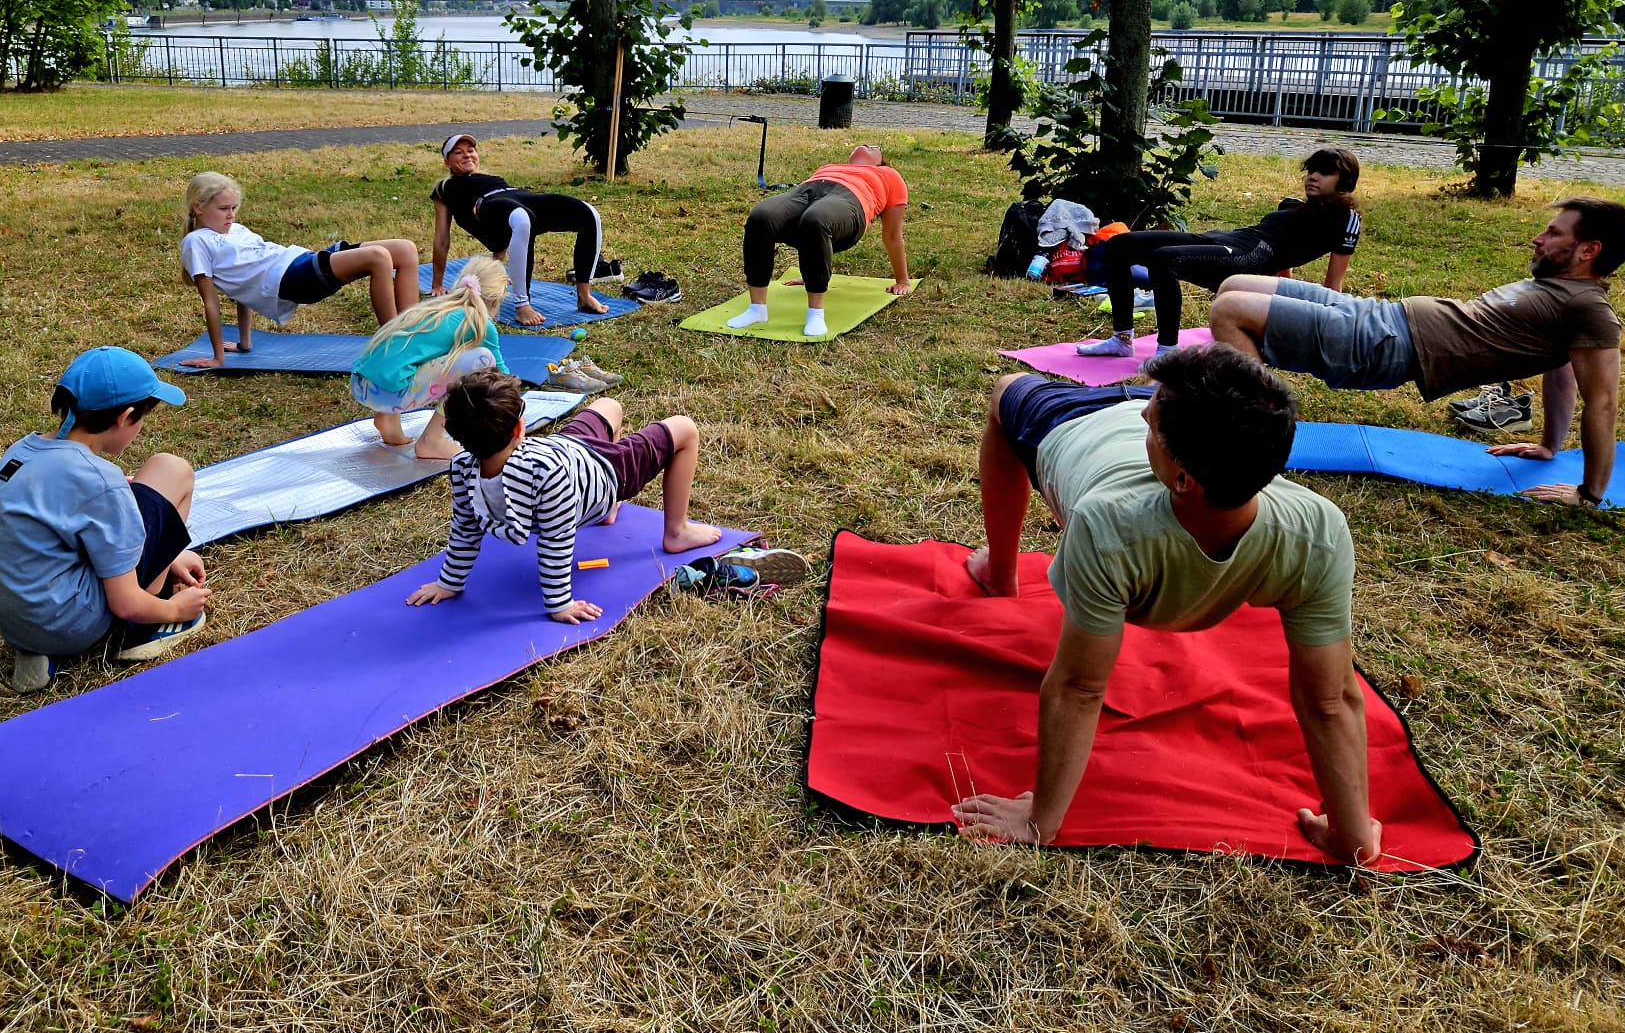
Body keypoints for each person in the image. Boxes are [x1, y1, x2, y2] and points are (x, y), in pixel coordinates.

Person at [952, 347, 1380, 865]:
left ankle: (1001, 575)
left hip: (1073, 422)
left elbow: (1080, 687)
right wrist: (1354, 838)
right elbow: (1328, 698)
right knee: (1015, 393)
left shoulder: (1108, 525)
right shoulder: (1318, 527)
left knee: (1004, 390)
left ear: (1182, 479)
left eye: (1151, 424)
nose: (1143, 417)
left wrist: (1038, 821)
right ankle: (1000, 571)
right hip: (1158, 435)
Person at [1208, 197, 1625, 507]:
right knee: (1236, 285)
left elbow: (1602, 402)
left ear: (1589, 250)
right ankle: (1246, 416)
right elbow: (1557, 369)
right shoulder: (1559, 289)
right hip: (1385, 315)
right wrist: (1548, 446)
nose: (1537, 238)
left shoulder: (1590, 309)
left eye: (1554, 233)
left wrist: (1589, 494)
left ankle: (1252, 447)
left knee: (1230, 311)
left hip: (1389, 345)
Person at [0, 347, 212, 695]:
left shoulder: (22, 452)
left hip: (16, 622)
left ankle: (44, 650)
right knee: (172, 469)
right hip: (69, 624)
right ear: (125, 416)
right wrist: (174, 609)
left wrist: (168, 553)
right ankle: (140, 633)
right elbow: (125, 602)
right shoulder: (100, 481)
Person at [405, 369, 722, 623]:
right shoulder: (546, 476)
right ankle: (677, 530)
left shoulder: (462, 466)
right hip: (606, 469)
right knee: (685, 428)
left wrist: (449, 583)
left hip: (568, 448)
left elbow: (465, 528)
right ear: (519, 430)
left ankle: (606, 509)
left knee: (610, 407)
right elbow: (556, 541)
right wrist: (559, 605)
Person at [1077, 147, 1363, 358]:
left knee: (1164, 259)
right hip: (1231, 239)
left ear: (1345, 180)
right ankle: (1122, 339)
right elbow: (1284, 268)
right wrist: (1276, 289)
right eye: (1311, 170)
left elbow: (1333, 283)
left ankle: (1167, 352)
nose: (1313, 176)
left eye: (1325, 172)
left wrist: (1332, 326)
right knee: (1118, 245)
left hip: (1249, 257)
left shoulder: (1346, 218)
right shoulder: (1293, 204)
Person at [178, 171, 420, 368]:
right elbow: (211, 301)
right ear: (198, 207)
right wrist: (217, 358)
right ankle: (395, 349)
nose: (231, 215)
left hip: (300, 260)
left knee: (405, 249)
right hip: (291, 279)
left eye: (234, 208)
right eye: (223, 209)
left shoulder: (235, 229)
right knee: (378, 257)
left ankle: (414, 335)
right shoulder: (196, 242)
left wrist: (244, 343)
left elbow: (241, 290)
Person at [727, 142, 915, 338]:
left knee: (816, 220)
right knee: (760, 217)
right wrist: (810, 271)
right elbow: (800, 218)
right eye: (863, 144)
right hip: (808, 190)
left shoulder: (889, 175)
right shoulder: (828, 168)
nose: (866, 145)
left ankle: (815, 315)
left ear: (880, 161)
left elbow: (892, 235)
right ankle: (757, 309)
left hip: (851, 200)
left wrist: (902, 280)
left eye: (873, 146)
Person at [429, 133, 613, 327]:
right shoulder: (446, 188)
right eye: (458, 152)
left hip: (521, 198)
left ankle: (584, 296)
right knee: (522, 218)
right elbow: (442, 238)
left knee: (589, 213)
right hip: (488, 203)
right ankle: (522, 305)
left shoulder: (490, 176)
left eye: (471, 150)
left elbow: (500, 239)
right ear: (446, 162)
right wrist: (437, 285)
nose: (467, 155)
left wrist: (496, 264)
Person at [350, 259, 512, 461]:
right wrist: (516, 407)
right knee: (483, 358)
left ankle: (388, 420)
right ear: (496, 301)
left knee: (413, 356)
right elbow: (501, 374)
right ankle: (431, 440)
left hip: (361, 385)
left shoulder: (436, 307)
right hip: (389, 395)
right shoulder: (480, 322)